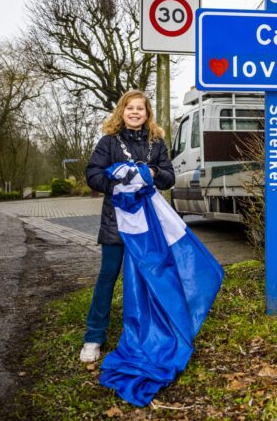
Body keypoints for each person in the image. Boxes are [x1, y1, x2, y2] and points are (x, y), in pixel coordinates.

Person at [80, 90, 176, 363]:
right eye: (130, 108)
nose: (135, 112)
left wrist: (154, 173)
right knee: (108, 277)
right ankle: (93, 336)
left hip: (148, 224)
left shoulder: (156, 143)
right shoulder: (108, 142)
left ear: (147, 114)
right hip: (116, 221)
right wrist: (117, 182)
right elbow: (92, 174)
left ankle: (151, 332)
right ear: (122, 111)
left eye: (140, 109)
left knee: (150, 276)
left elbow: (169, 177)